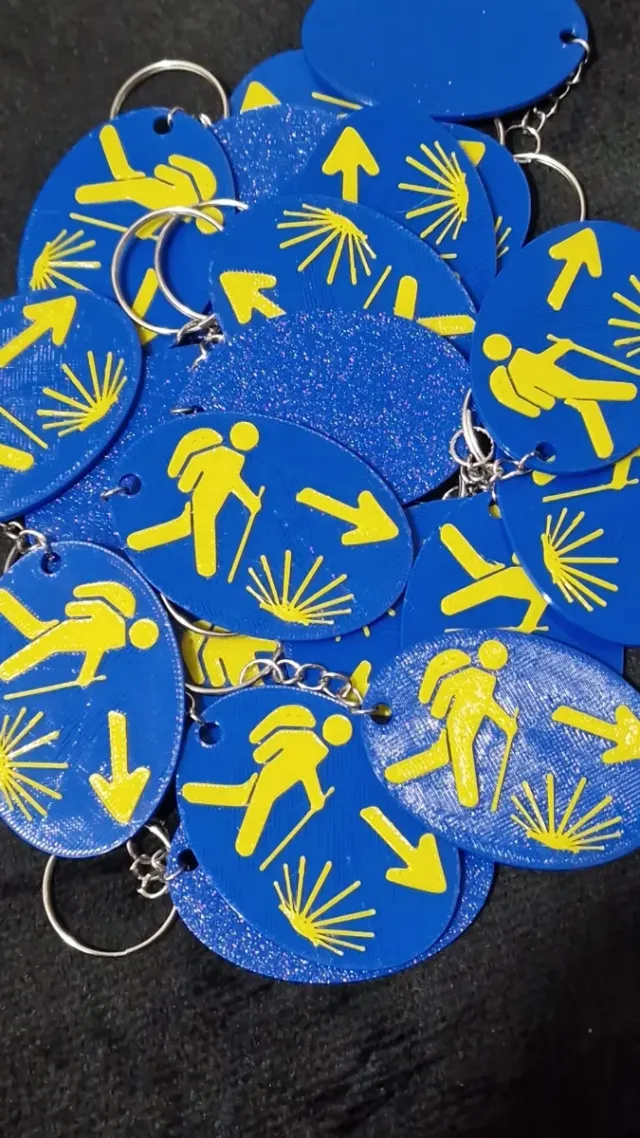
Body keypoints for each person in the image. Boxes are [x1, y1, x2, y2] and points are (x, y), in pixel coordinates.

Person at [181, 704, 353, 857]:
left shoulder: (310, 741)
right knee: (258, 801)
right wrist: (315, 798)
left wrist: (263, 753)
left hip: (275, 775)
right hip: (275, 776)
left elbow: (287, 745)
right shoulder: (311, 744)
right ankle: (244, 846)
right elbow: (306, 770)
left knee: (249, 797)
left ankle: (192, 793)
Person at [385, 640, 518, 809]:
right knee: (462, 754)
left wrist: (506, 723)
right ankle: (469, 796)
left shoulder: (487, 681)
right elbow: (449, 686)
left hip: (467, 724)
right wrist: (439, 710)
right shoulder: (473, 675)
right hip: (460, 723)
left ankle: (400, 771)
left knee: (442, 755)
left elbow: (487, 705)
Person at [127, 423, 264, 579]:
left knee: (186, 526)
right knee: (203, 525)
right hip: (205, 497)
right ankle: (207, 570)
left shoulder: (233, 459)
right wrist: (251, 501)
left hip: (211, 498)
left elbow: (233, 482)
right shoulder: (224, 455)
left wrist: (251, 501)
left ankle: (139, 541)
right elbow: (229, 479)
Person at [0, 581, 159, 689]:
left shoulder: (115, 624)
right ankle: (6, 671)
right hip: (66, 634)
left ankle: (4, 600)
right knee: (36, 638)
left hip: (66, 633)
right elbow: (95, 651)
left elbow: (95, 650)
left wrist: (86, 675)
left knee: (35, 636)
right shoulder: (116, 634)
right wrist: (85, 676)